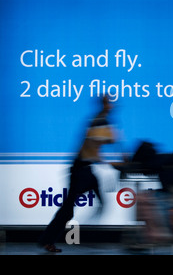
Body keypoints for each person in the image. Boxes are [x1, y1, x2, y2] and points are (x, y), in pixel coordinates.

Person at [38, 96, 117, 253]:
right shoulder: (99, 121)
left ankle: (49, 240)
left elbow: (106, 142)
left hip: (85, 169)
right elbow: (95, 147)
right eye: (109, 102)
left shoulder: (103, 121)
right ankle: (48, 240)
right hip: (79, 169)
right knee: (68, 209)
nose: (112, 105)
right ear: (105, 104)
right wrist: (113, 162)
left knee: (80, 201)